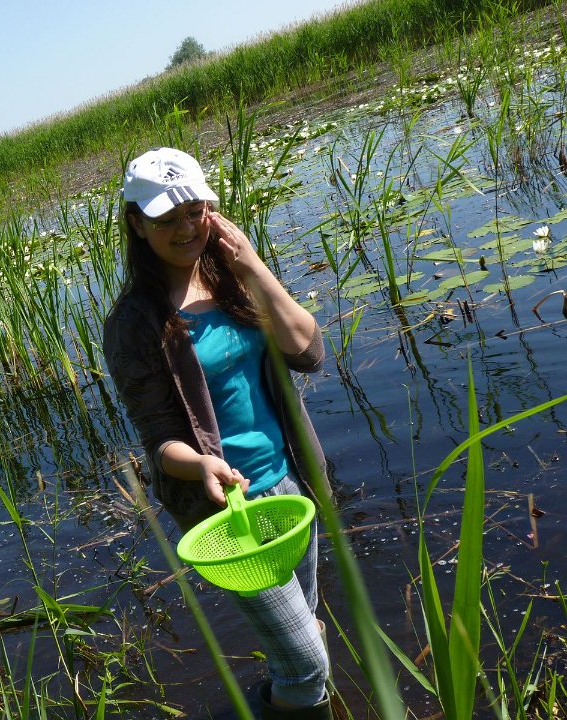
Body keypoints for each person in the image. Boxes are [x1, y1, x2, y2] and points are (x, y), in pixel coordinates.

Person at [103, 148, 333, 719]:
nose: (186, 228)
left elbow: (309, 352)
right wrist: (202, 463)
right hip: (229, 513)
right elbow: (158, 441)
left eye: (195, 211)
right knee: (308, 665)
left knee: (307, 631)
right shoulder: (133, 323)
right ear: (136, 224)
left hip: (290, 484)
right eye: (166, 219)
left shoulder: (231, 277)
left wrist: (253, 266)